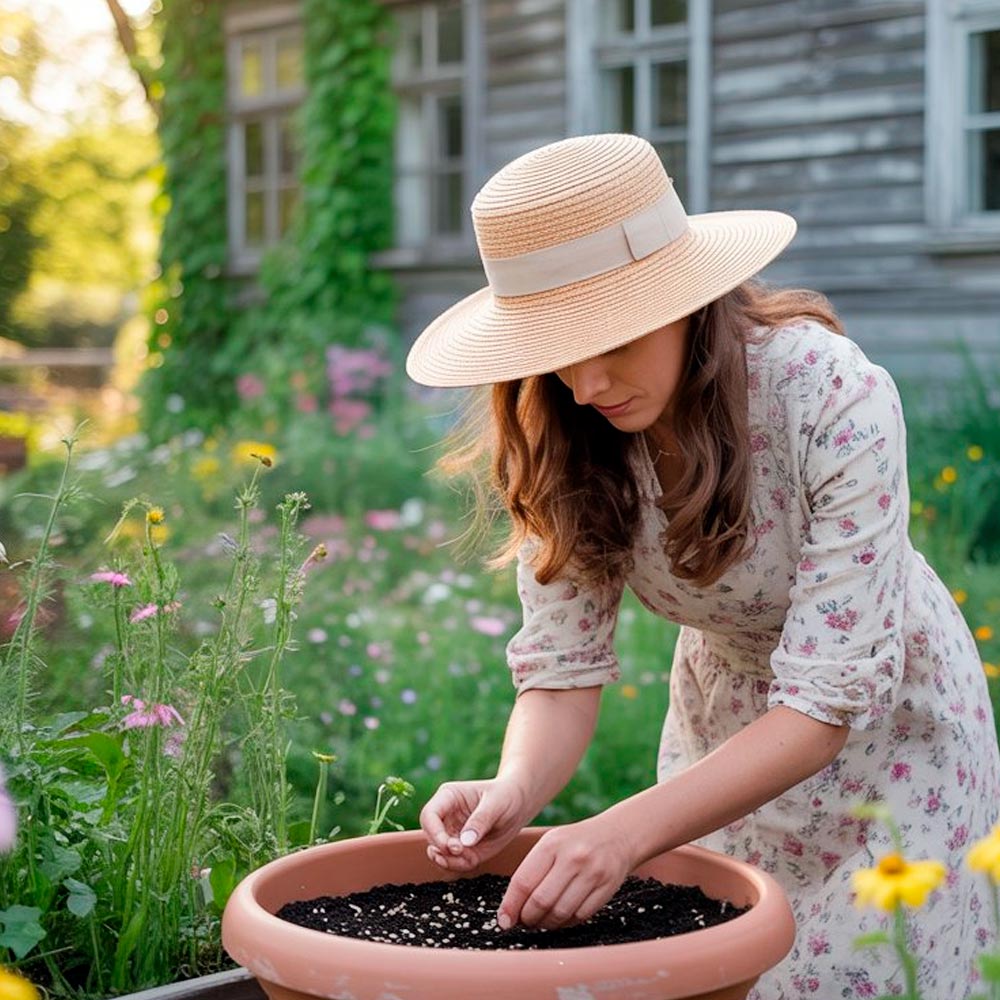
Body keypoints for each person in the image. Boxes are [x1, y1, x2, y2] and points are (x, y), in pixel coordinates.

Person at [405, 133, 1000, 997]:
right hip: (719, 738)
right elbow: (562, 669)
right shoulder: (564, 428)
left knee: (874, 972)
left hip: (890, 733)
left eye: (612, 336)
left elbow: (825, 705)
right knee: (720, 974)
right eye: (557, 349)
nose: (586, 381)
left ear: (686, 299)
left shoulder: (833, 396)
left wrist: (620, 832)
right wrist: (516, 787)